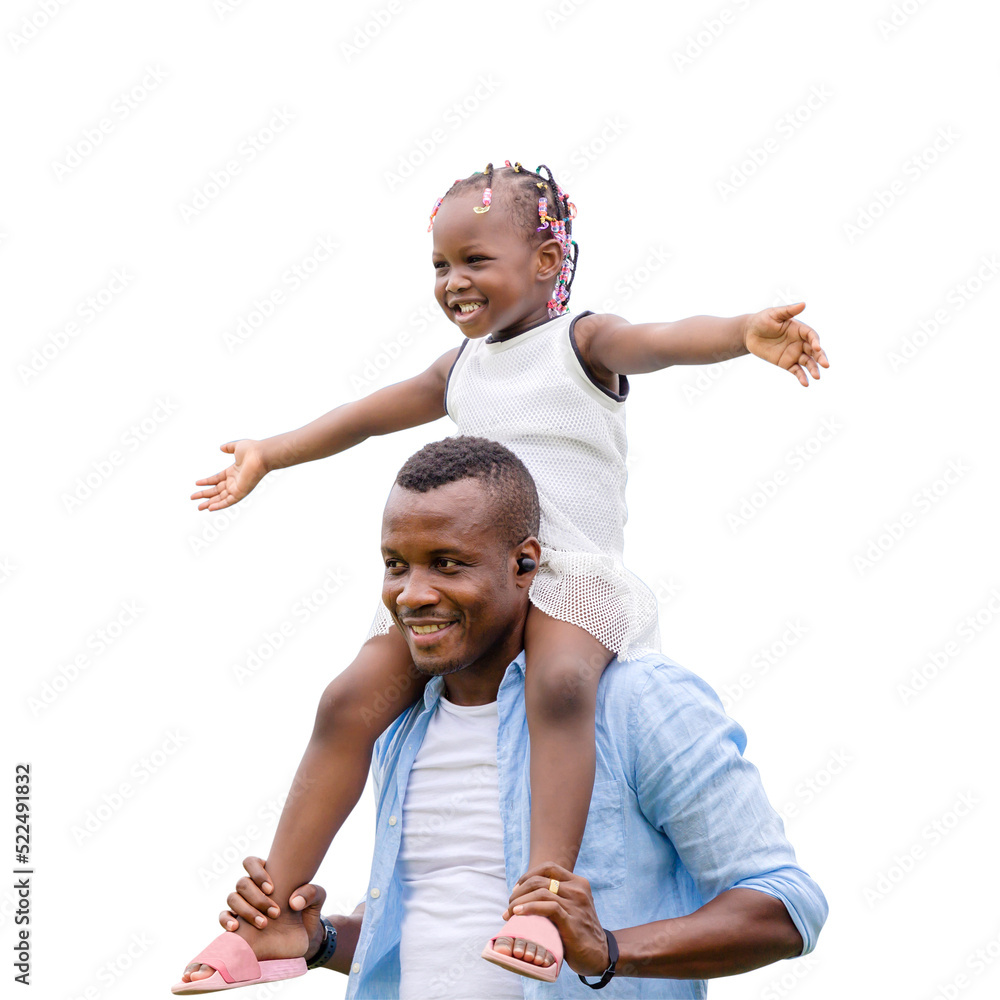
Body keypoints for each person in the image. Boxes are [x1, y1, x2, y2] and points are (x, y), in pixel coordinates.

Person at [178, 160, 829, 989]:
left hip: (570, 576)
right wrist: (272, 451)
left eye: (476, 260)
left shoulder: (581, 344)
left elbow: (662, 341)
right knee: (349, 699)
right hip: (484, 577)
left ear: (548, 263)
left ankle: (542, 902)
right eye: (442, 266)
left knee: (560, 686)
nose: (454, 282)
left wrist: (741, 332)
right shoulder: (459, 369)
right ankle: (266, 924)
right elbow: (366, 415)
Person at [175, 436, 828, 999]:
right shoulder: (400, 728)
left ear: (524, 565)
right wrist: (315, 941)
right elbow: (439, 942)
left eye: (449, 564)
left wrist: (606, 949)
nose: (413, 594)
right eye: (396, 565)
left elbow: (787, 907)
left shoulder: (639, 702)